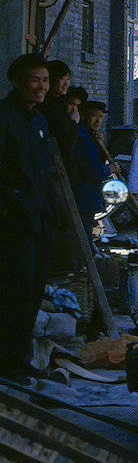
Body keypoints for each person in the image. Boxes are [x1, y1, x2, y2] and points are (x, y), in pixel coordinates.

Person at [0, 54, 56, 382]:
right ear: (17, 81)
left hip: (39, 221)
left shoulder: (39, 121)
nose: (41, 86)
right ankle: (5, 363)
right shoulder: (5, 117)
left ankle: (17, 358)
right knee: (12, 291)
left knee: (31, 293)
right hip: (13, 222)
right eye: (35, 79)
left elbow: (44, 173)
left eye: (45, 80)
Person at [73, 101, 110, 234]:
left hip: (88, 195)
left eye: (100, 117)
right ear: (84, 116)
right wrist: (110, 169)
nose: (98, 121)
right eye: (94, 116)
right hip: (83, 195)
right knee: (83, 232)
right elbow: (92, 170)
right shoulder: (83, 137)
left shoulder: (91, 136)